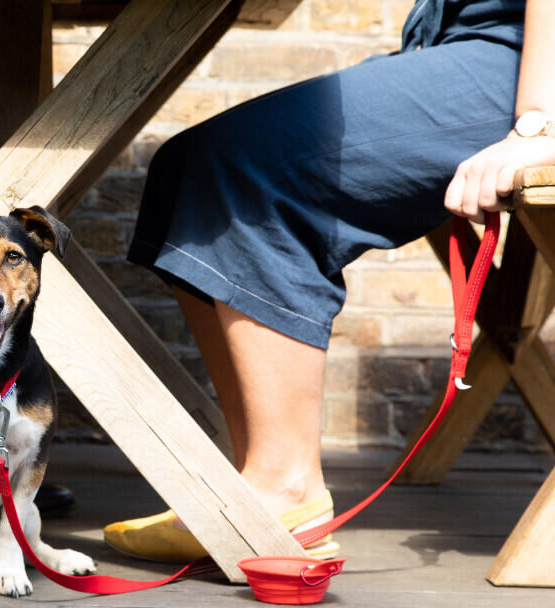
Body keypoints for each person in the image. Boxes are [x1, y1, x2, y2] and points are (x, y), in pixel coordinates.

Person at [104, 0, 555, 563]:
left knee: (249, 166)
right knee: (183, 166)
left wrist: (539, 119)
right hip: (463, 38)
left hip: (527, 61)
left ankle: (285, 487)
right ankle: (256, 483)